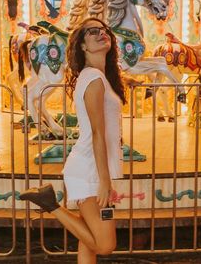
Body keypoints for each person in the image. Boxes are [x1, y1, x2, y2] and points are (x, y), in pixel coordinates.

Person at [19, 17, 126, 263]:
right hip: (89, 172)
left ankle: (49, 202)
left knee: (88, 238)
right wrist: (104, 181)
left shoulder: (97, 77)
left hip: (90, 168)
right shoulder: (93, 79)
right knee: (105, 245)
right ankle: (50, 203)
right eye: (93, 32)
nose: (102, 33)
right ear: (82, 46)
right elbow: (97, 133)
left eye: (104, 30)